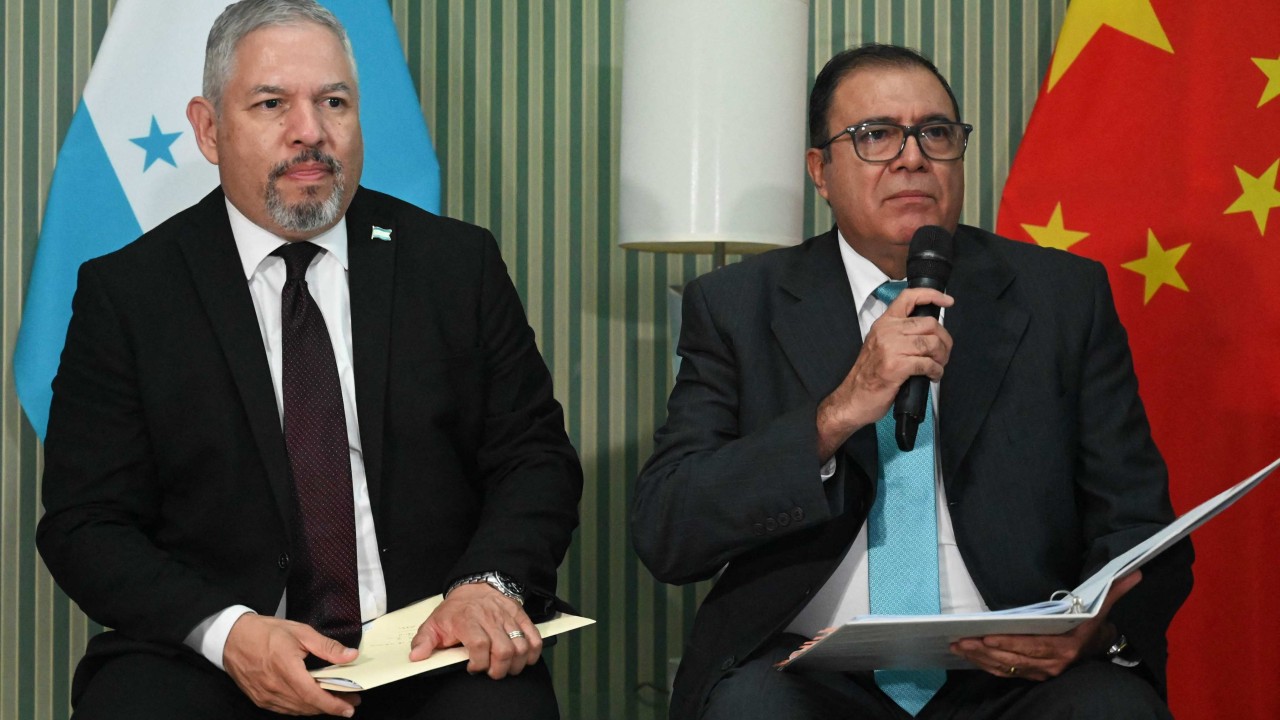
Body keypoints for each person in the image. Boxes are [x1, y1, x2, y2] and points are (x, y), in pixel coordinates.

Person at [35, 1, 582, 718]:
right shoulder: (131, 294)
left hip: (430, 645)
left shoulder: (455, 265)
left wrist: (488, 584)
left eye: (334, 102)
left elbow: (534, 459)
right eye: (272, 104)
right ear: (208, 128)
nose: (311, 132)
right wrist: (228, 633)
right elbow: (86, 521)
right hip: (216, 658)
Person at [631, 43, 1193, 720]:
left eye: (936, 132)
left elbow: (1137, 522)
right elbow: (668, 531)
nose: (912, 157)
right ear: (821, 170)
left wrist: (1097, 630)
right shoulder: (737, 305)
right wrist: (835, 415)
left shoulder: (1062, 297)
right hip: (805, 669)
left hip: (1014, 671)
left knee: (1113, 709)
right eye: (876, 135)